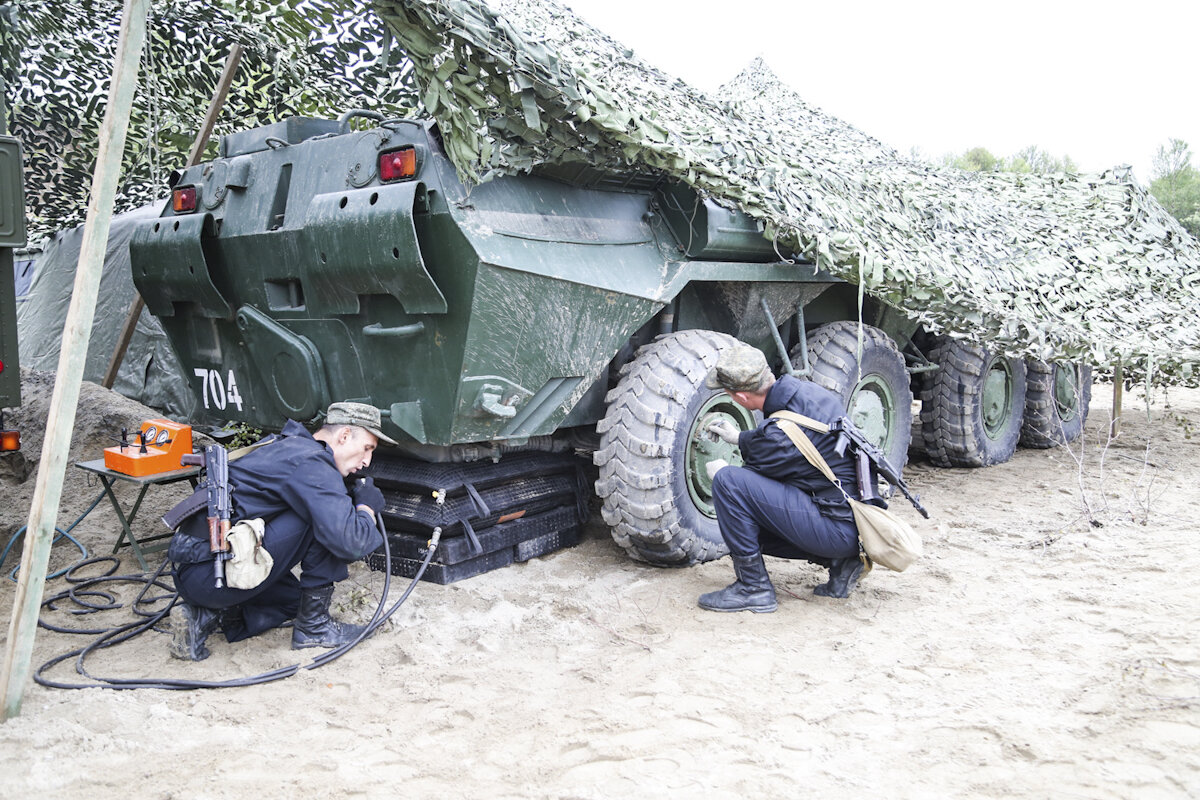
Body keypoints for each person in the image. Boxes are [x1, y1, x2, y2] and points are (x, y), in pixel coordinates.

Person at [168, 401, 394, 660]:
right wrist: (366, 507)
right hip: (214, 576)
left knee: (293, 602)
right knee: (326, 519)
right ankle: (314, 629)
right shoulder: (313, 464)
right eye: (367, 448)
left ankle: (205, 616)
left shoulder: (285, 445)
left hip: (193, 572)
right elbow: (351, 541)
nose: (367, 461)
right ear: (344, 436)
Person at [699, 343, 867, 613]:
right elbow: (789, 440)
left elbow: (757, 474)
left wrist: (720, 473)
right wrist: (738, 437)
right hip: (856, 525)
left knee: (729, 485)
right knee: (746, 504)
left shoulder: (778, 436)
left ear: (741, 398)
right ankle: (842, 563)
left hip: (837, 530)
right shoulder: (805, 392)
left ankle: (753, 588)